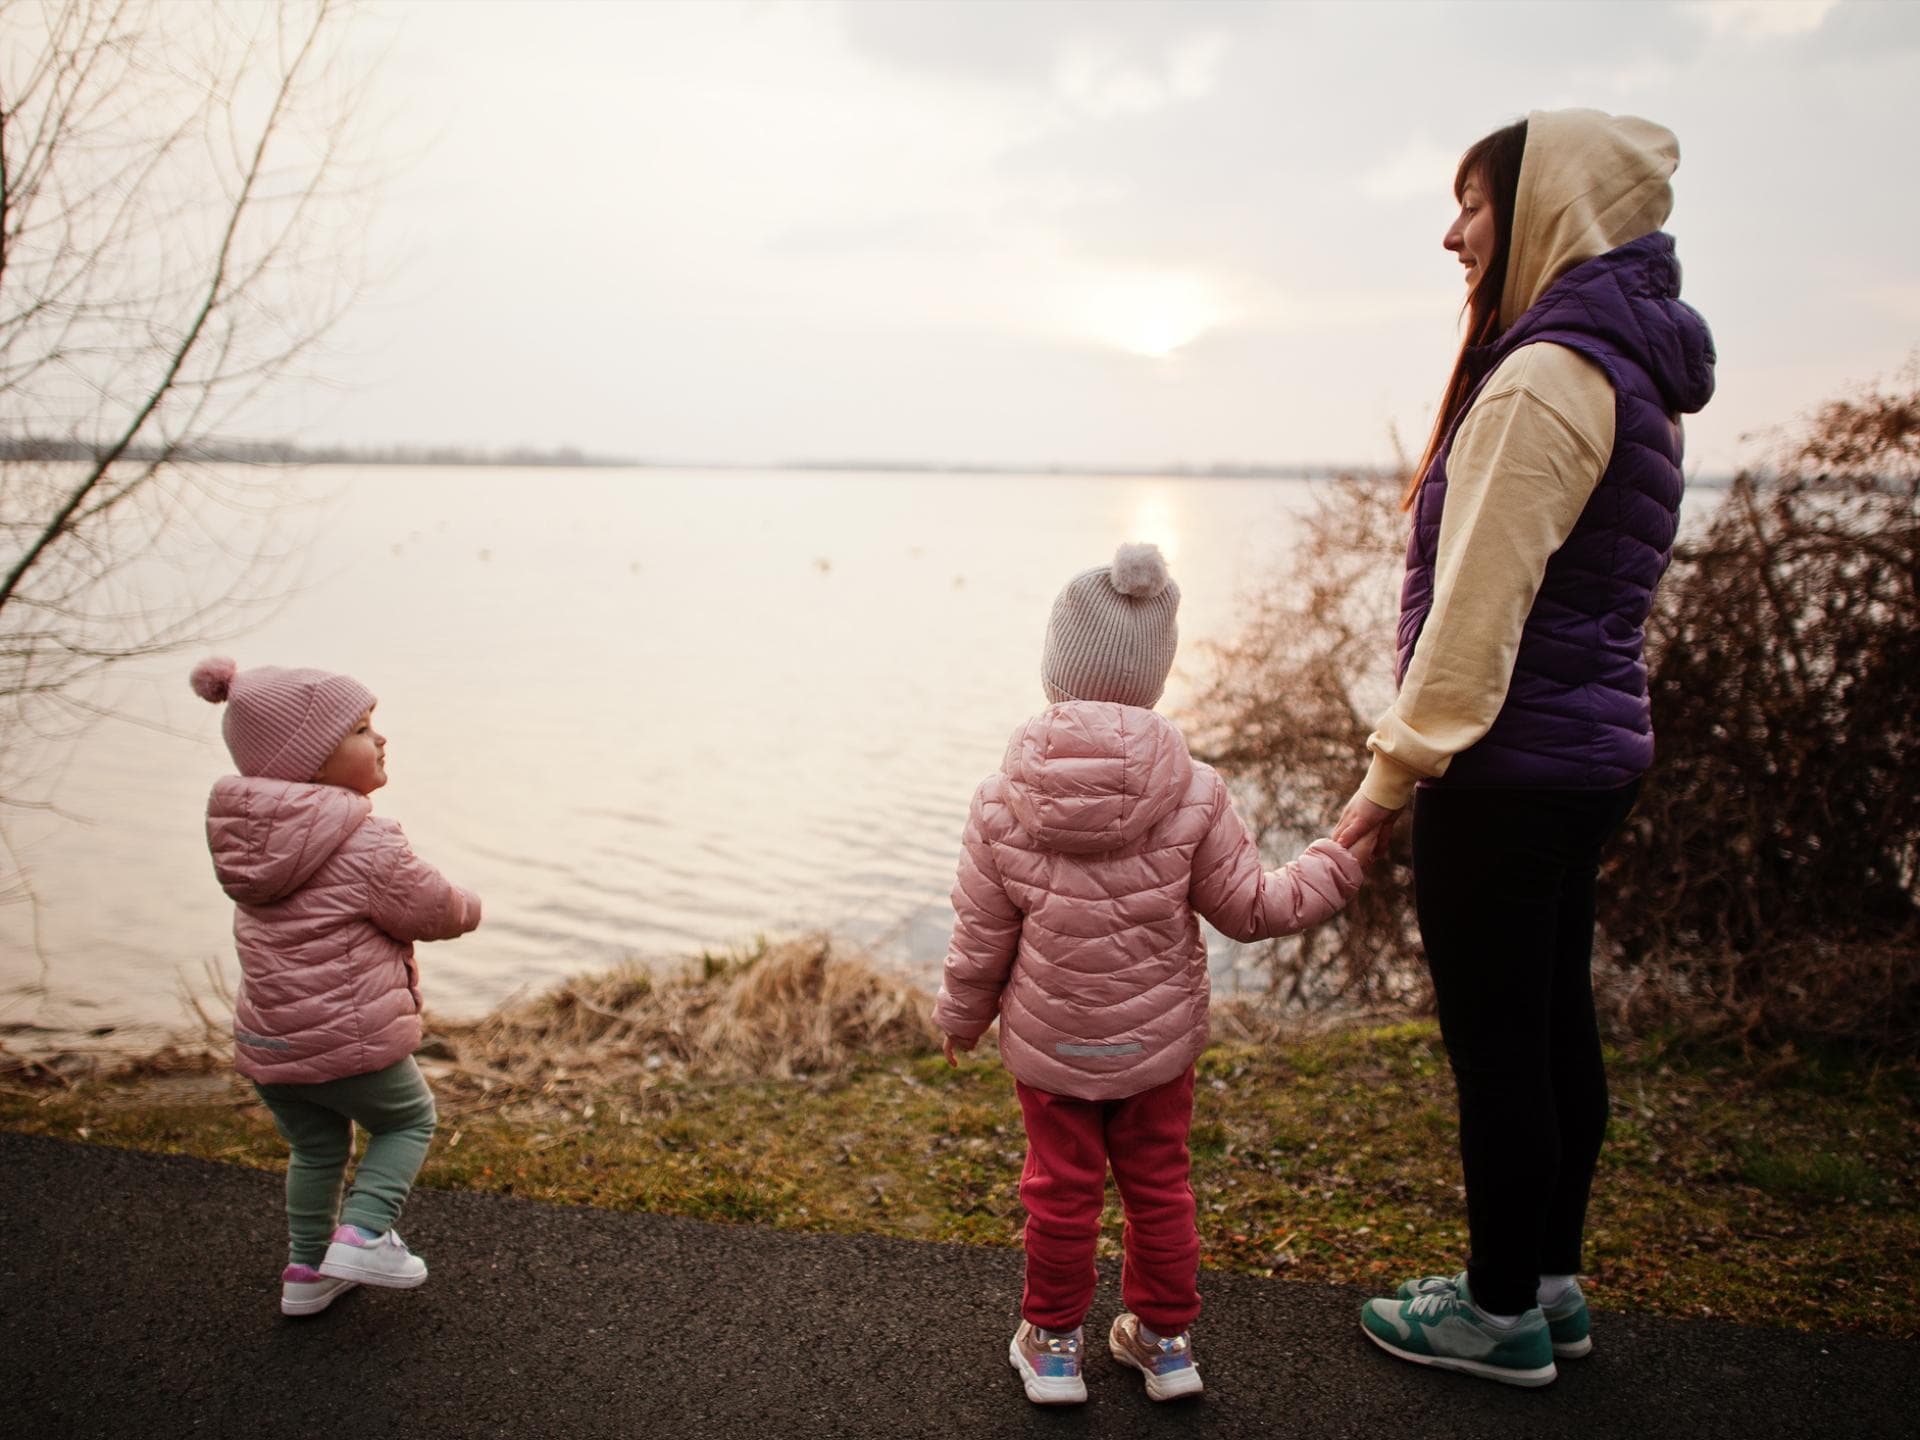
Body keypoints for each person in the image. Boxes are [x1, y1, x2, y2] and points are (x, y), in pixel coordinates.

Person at [1334, 109, 1715, 1386]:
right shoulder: (1635, 374)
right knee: (1554, 1026)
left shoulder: (1548, 379)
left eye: (1477, 206)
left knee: (1503, 1044)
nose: (1454, 234)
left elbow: (1473, 620)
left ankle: (1495, 1316)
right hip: (1592, 754)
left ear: (1546, 207)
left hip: (1509, 769)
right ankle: (1548, 1285)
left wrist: (1385, 783)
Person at [935, 543, 1369, 1406]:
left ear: (1057, 668)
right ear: (1155, 677)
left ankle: (1055, 1347)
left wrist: (961, 1017)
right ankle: (1165, 1343)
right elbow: (1253, 909)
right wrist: (1341, 857)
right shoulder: (1195, 791)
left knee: (1060, 1196)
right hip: (1157, 1049)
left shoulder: (1001, 798)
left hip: (1054, 1049)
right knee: (1159, 1188)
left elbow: (982, 935)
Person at [192, 656, 483, 1317]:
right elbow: (430, 909)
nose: (379, 739)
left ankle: (307, 1271)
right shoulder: (365, 842)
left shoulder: (251, 845)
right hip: (348, 1044)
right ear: (311, 761)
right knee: (409, 1119)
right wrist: (469, 904)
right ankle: (364, 1234)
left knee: (317, 1147)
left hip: (271, 1046)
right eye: (359, 729)